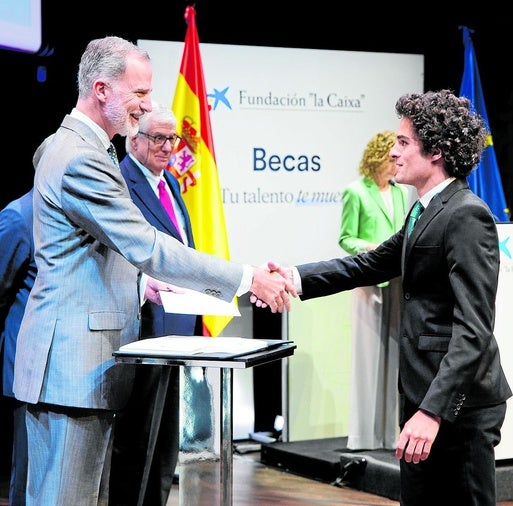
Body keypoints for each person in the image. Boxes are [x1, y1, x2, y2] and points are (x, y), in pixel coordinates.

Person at [13, 36, 295, 506]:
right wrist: (248, 279)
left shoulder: (69, 146)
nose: (146, 107)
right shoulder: (82, 156)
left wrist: (143, 284)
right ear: (101, 89)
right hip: (71, 370)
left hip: (74, 369)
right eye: (139, 94)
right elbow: (146, 245)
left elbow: (84, 251)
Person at [257, 89, 513, 505]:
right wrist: (293, 278)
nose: (392, 151)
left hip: (457, 409)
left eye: (403, 142)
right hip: (423, 396)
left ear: (438, 152)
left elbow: (474, 330)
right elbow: (368, 265)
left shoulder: (466, 214)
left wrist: (432, 413)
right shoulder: (423, 210)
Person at [109, 102, 199, 506]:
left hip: (176, 328)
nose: (168, 147)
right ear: (134, 137)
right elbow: (117, 253)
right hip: (144, 328)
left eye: (172, 138)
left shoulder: (172, 184)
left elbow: (182, 250)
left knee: (165, 439)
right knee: (138, 436)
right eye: (158, 137)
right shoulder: (121, 183)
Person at [339, 130, 409, 451]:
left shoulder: (399, 193)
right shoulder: (356, 192)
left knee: (395, 357)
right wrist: (371, 247)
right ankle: (363, 436)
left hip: (398, 280)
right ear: (379, 157)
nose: (396, 162)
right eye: (391, 156)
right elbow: (345, 239)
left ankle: (391, 433)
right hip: (368, 280)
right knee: (368, 359)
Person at [0, 136, 52, 506]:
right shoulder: (20, 215)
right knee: (28, 473)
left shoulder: (72, 216)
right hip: (27, 367)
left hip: (65, 369)